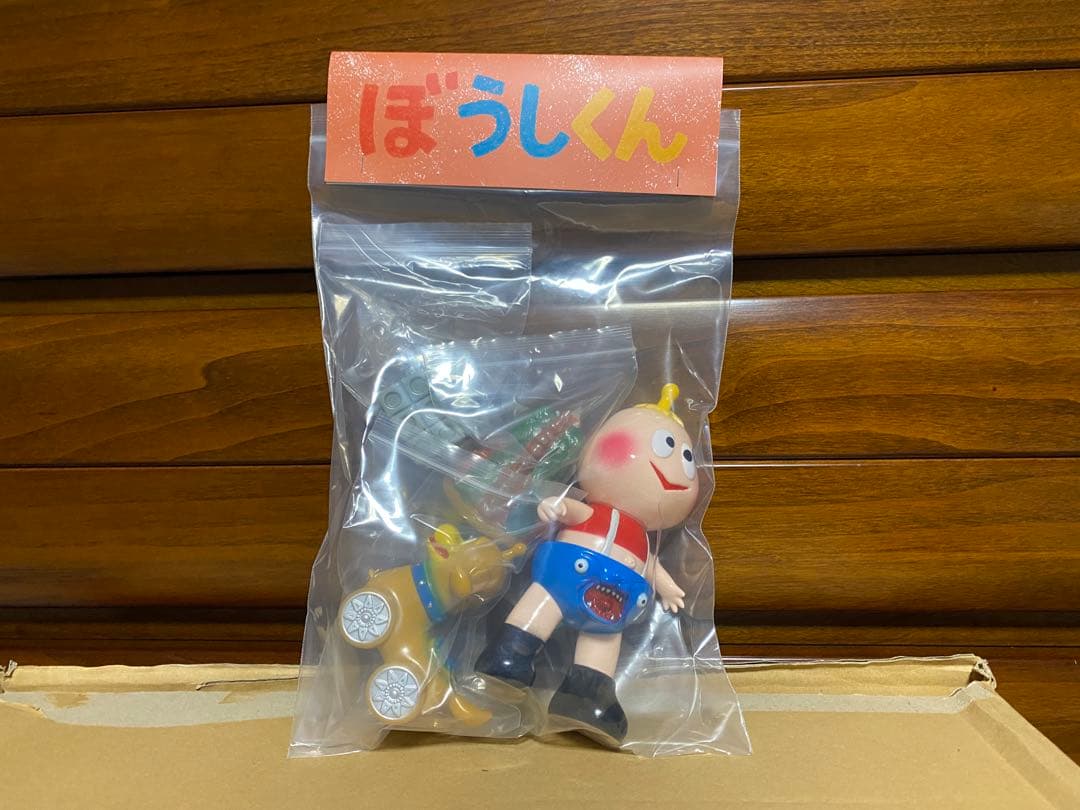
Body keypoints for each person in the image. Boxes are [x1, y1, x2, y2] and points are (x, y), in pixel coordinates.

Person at [475, 384, 700, 742]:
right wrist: (557, 506)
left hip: (614, 604)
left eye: (686, 459)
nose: (676, 468)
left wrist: (669, 589)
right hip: (562, 579)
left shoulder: (644, 539)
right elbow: (572, 511)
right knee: (540, 604)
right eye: (666, 447)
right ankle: (510, 656)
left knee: (602, 639)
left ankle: (587, 693)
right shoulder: (596, 511)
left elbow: (651, 564)